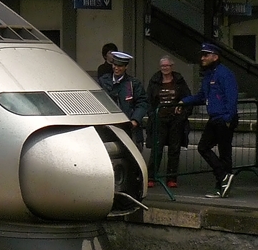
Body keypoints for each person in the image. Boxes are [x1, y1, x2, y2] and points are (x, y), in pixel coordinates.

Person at [182, 43, 240, 198]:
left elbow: (232, 97)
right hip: (215, 117)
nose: (202, 58)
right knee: (204, 147)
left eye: (206, 55)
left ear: (215, 56)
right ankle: (223, 178)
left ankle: (221, 185)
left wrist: (228, 118)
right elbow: (202, 96)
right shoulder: (209, 75)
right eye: (202, 55)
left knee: (223, 153)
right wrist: (184, 101)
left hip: (223, 118)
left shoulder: (224, 74)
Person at [145, 57, 191, 188]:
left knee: (174, 149)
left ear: (172, 66)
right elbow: (148, 100)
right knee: (156, 149)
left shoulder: (179, 80)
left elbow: (187, 97)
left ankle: (172, 178)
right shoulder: (154, 81)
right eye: (162, 66)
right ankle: (151, 177)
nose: (165, 68)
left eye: (167, 65)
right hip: (159, 120)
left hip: (176, 120)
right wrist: (152, 115)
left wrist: (183, 112)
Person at [98, 51, 149, 147]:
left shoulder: (133, 83)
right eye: (114, 65)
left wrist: (135, 120)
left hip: (129, 129)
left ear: (126, 67)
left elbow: (142, 103)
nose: (116, 68)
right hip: (108, 128)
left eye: (120, 66)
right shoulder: (103, 81)